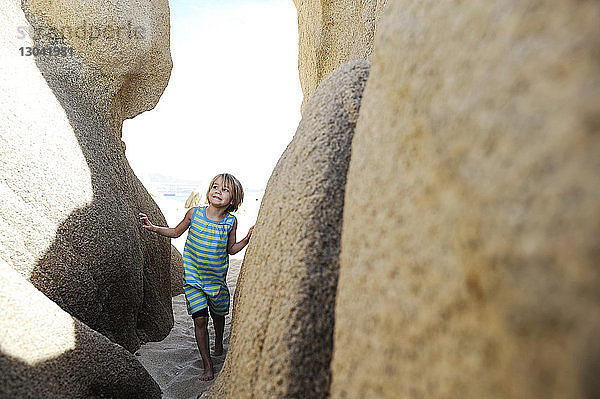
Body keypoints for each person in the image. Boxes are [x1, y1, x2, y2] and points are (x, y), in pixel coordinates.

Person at [138, 173, 254, 381]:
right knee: (200, 320)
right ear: (209, 190)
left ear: (233, 199)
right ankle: (207, 366)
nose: (218, 192)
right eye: (215, 187)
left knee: (218, 316)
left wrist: (247, 238)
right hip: (193, 279)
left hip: (216, 282)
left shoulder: (230, 222)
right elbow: (175, 232)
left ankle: (218, 341)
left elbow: (232, 249)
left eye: (225, 190)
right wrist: (153, 227)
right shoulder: (194, 213)